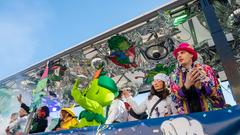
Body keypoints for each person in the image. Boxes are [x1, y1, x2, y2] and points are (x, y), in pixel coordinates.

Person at [170, 42, 225, 114]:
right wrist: (185, 87)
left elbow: (218, 96)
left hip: (209, 116)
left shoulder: (206, 69)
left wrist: (201, 88)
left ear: (191, 54)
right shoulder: (174, 75)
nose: (179, 56)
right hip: (187, 119)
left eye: (182, 52)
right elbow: (174, 99)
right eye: (177, 54)